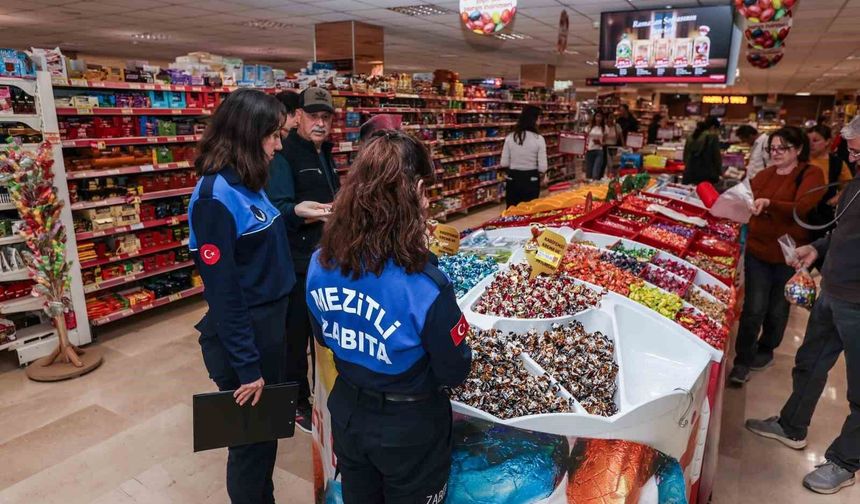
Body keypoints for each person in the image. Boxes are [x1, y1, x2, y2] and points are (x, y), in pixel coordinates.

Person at [306, 130, 473, 504]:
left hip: (348, 412)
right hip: (409, 426)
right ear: (413, 192)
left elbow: (323, 334)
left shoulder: (320, 263)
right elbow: (455, 369)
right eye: (424, 189)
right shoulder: (425, 284)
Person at [189, 89, 301, 503]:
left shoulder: (249, 183)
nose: (279, 144)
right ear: (248, 134)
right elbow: (224, 293)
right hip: (247, 338)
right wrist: (248, 366)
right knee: (251, 445)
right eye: (273, 135)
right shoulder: (213, 198)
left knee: (265, 436)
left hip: (270, 327)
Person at [745, 116, 860, 495]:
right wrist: (818, 248)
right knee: (809, 362)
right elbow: (842, 229)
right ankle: (792, 426)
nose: (854, 157)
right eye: (852, 150)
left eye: (859, 149)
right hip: (834, 292)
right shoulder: (857, 183)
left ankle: (845, 462)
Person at [265, 87, 339, 433]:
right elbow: (278, 210)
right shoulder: (284, 156)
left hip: (322, 259)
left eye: (326, 117)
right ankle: (296, 402)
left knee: (319, 334)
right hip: (296, 262)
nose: (320, 123)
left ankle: (319, 394)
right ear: (298, 118)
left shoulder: (324, 153)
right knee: (295, 338)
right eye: (313, 117)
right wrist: (306, 213)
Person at [728, 126, 825, 387]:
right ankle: (742, 361)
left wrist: (770, 204)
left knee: (777, 307)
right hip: (758, 250)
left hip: (790, 253)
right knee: (753, 307)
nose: (776, 153)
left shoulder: (811, 173)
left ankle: (766, 348)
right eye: (772, 148)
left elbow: (804, 207)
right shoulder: (765, 174)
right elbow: (747, 196)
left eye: (782, 148)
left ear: (799, 149)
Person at [500, 105, 547, 207]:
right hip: (531, 179)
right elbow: (543, 167)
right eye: (539, 118)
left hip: (513, 178)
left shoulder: (510, 137)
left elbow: (504, 163)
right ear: (534, 119)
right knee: (528, 211)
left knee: (512, 211)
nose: (540, 121)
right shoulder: (539, 139)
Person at [682, 116, 723, 185]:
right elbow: (717, 157)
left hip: (690, 173)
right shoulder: (712, 137)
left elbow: (685, 155)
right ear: (713, 127)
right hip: (706, 175)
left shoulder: (690, 136)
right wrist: (720, 172)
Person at [585, 111, 606, 180]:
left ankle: (595, 187)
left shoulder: (604, 128)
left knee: (595, 172)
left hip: (599, 151)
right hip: (589, 150)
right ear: (594, 117)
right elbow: (585, 138)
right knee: (589, 173)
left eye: (600, 116)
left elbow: (605, 142)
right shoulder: (589, 127)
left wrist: (600, 143)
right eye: (597, 116)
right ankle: (588, 188)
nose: (599, 118)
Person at [603, 113, 624, 178]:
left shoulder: (617, 126)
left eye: (612, 118)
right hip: (605, 146)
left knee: (613, 164)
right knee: (605, 163)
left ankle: (613, 176)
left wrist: (624, 146)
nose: (611, 119)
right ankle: (607, 176)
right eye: (610, 117)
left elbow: (621, 137)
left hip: (614, 147)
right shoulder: (604, 126)